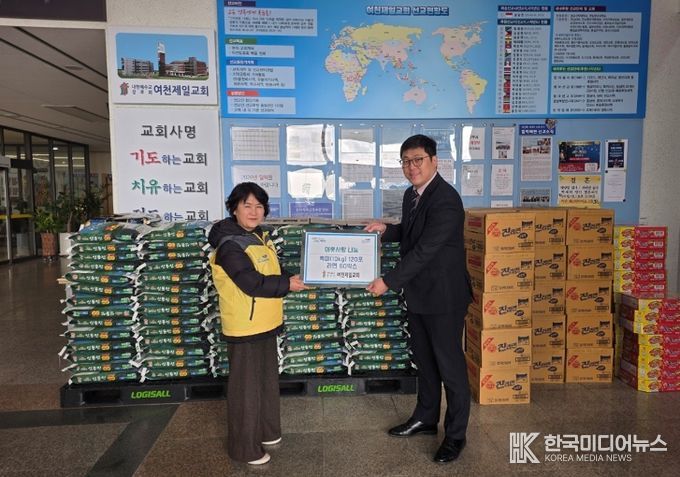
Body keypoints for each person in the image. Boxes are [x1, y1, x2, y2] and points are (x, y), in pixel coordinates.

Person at [365, 134, 472, 464]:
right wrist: (387, 230)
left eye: (417, 160)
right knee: (425, 363)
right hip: (419, 294)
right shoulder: (413, 195)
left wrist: (389, 281)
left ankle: (455, 436)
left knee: (450, 367)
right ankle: (426, 418)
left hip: (444, 298)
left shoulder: (446, 199)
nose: (411, 167)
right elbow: (412, 234)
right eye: (406, 161)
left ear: (434, 161)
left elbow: (426, 249)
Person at [208, 182, 307, 465]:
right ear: (234, 209)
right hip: (245, 327)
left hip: (265, 322)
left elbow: (272, 270)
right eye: (247, 205)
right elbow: (250, 282)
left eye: (259, 206)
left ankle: (267, 432)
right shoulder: (230, 245)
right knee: (246, 391)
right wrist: (287, 285)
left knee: (265, 383)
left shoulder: (259, 237)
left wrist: (294, 277)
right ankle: (244, 449)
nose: (254, 211)